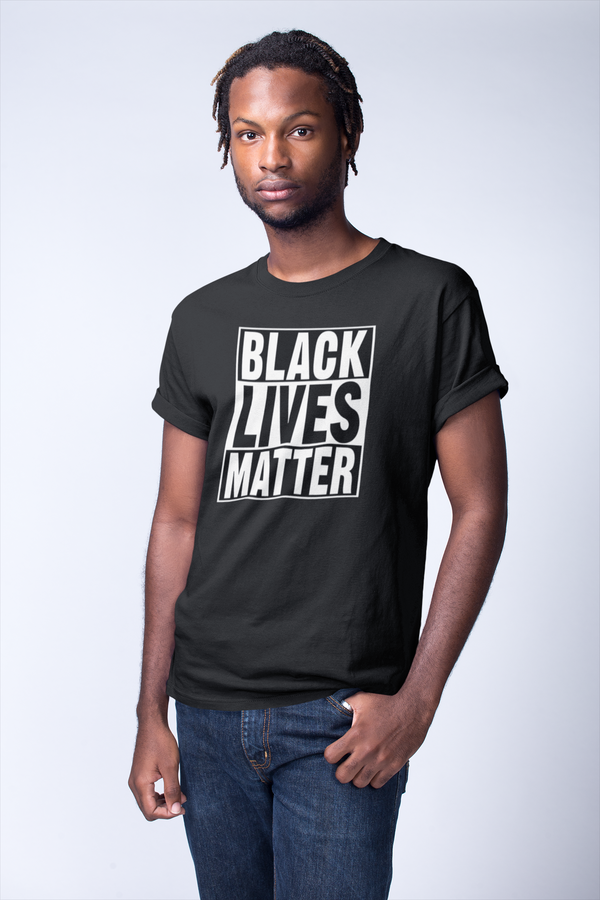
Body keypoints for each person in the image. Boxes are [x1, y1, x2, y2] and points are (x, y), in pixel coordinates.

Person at [128, 29, 509, 900]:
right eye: (248, 133)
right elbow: (176, 521)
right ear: (227, 146)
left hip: (343, 718)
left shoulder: (429, 299)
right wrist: (152, 710)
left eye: (298, 129)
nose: (272, 157)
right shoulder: (202, 319)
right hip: (211, 713)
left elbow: (479, 508)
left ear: (347, 136)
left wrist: (417, 702)